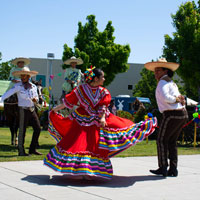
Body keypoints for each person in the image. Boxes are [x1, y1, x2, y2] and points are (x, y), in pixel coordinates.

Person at [44, 67, 157, 180]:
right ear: (96, 78)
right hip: (82, 121)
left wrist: (102, 118)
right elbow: (68, 102)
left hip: (98, 121)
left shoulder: (103, 91)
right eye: (102, 77)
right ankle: (82, 171)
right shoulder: (80, 89)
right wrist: (55, 109)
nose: (104, 79)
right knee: (80, 146)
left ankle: (89, 171)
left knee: (95, 146)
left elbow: (103, 107)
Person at [145, 58, 188, 177]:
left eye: (158, 70)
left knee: (161, 140)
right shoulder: (171, 83)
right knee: (171, 141)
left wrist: (176, 99)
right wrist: (179, 99)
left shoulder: (162, 83)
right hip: (181, 114)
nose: (155, 73)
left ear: (166, 71)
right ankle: (173, 169)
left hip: (171, 114)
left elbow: (166, 98)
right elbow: (177, 97)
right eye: (155, 71)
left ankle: (163, 166)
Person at [1, 67, 42, 156]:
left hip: (32, 109)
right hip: (23, 110)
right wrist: (0, 99)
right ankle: (21, 151)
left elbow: (37, 98)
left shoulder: (33, 86)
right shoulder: (18, 86)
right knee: (22, 130)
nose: (23, 77)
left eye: (25, 75)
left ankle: (32, 149)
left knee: (38, 128)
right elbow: (7, 94)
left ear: (28, 76)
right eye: (22, 75)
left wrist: (36, 100)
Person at [4, 57, 30, 146]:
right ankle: (7, 104)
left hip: (24, 85)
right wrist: (17, 81)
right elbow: (11, 78)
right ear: (17, 63)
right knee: (9, 93)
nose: (21, 64)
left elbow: (28, 78)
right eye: (19, 62)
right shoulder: (13, 69)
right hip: (15, 85)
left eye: (22, 62)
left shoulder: (26, 69)